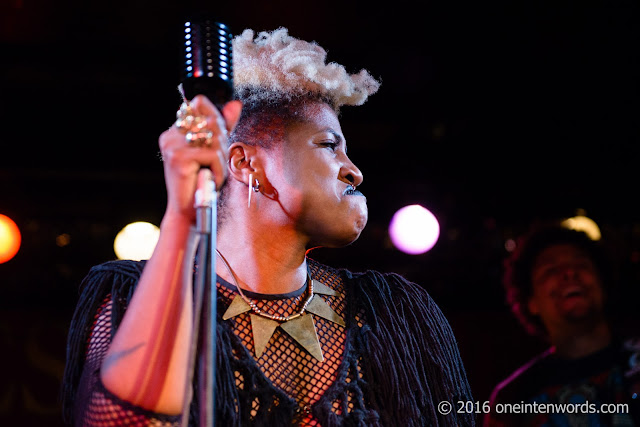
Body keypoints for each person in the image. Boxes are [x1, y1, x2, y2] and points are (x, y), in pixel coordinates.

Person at [61, 27, 475, 426]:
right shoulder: (138, 295)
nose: (355, 172)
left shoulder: (395, 313)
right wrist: (183, 215)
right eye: (330, 145)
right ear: (245, 163)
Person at [483, 222, 640, 426]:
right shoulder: (513, 397)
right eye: (550, 270)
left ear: (603, 284)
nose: (569, 273)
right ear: (531, 302)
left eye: (581, 264)